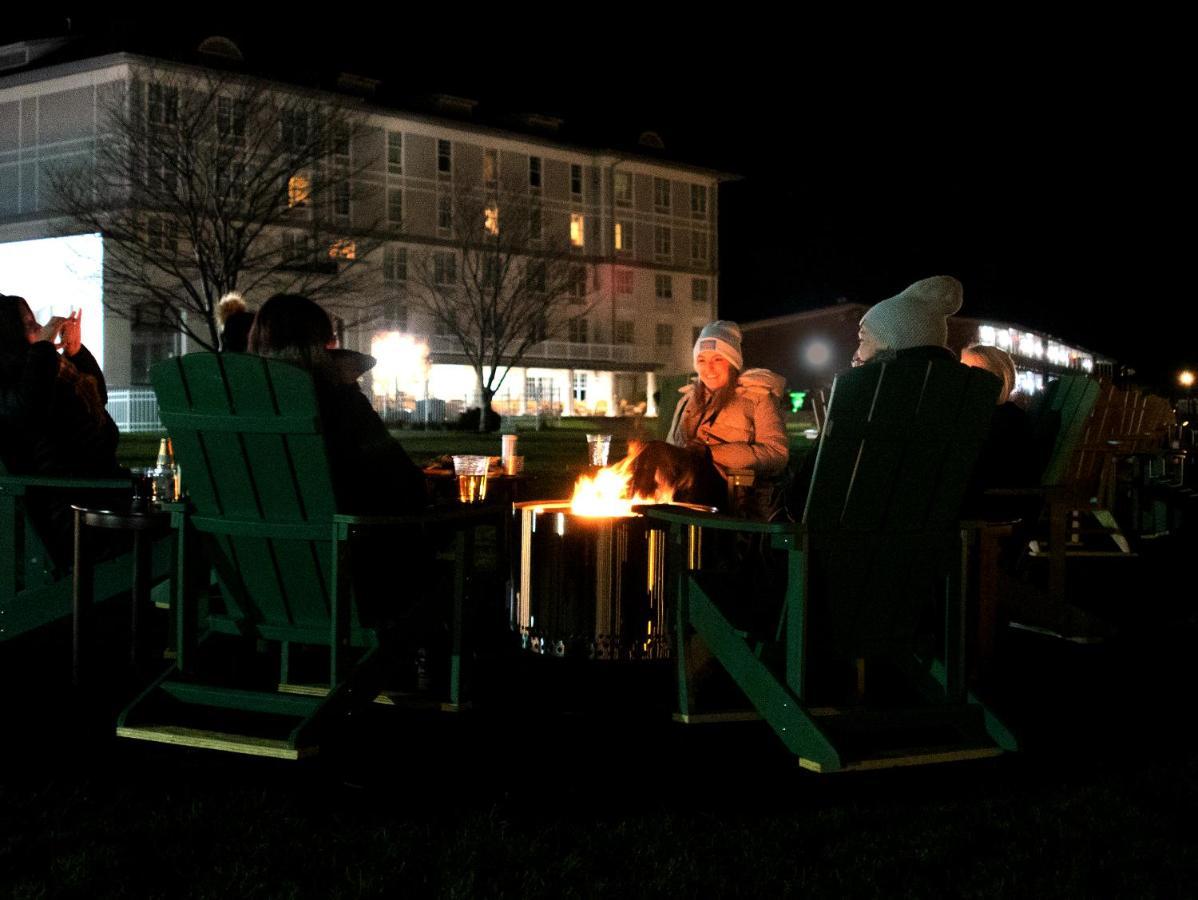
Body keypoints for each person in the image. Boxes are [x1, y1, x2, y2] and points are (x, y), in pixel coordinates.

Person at [247, 293, 424, 516]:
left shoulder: (233, 407)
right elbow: (405, 480)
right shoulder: (341, 402)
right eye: (329, 342)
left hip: (246, 542)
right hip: (338, 541)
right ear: (317, 347)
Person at [0, 294, 123, 561]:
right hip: (75, 513)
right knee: (185, 528)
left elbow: (97, 398)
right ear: (10, 334)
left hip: (96, 499)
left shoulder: (49, 373)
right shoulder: (21, 381)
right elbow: (28, 413)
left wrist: (76, 351)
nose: (38, 328)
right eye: (28, 323)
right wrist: (43, 351)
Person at [633, 320, 788, 515]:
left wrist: (711, 454)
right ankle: (638, 518)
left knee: (654, 451)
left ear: (732, 363)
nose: (709, 368)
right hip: (684, 485)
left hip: (731, 491)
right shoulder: (688, 401)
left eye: (717, 359)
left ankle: (643, 518)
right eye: (702, 360)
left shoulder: (758, 397)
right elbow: (672, 447)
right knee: (644, 454)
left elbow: (777, 454)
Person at [960, 343, 1041, 515]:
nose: (961, 379)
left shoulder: (1000, 421)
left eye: (968, 372)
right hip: (988, 498)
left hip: (989, 503)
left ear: (994, 380)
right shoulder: (1007, 416)